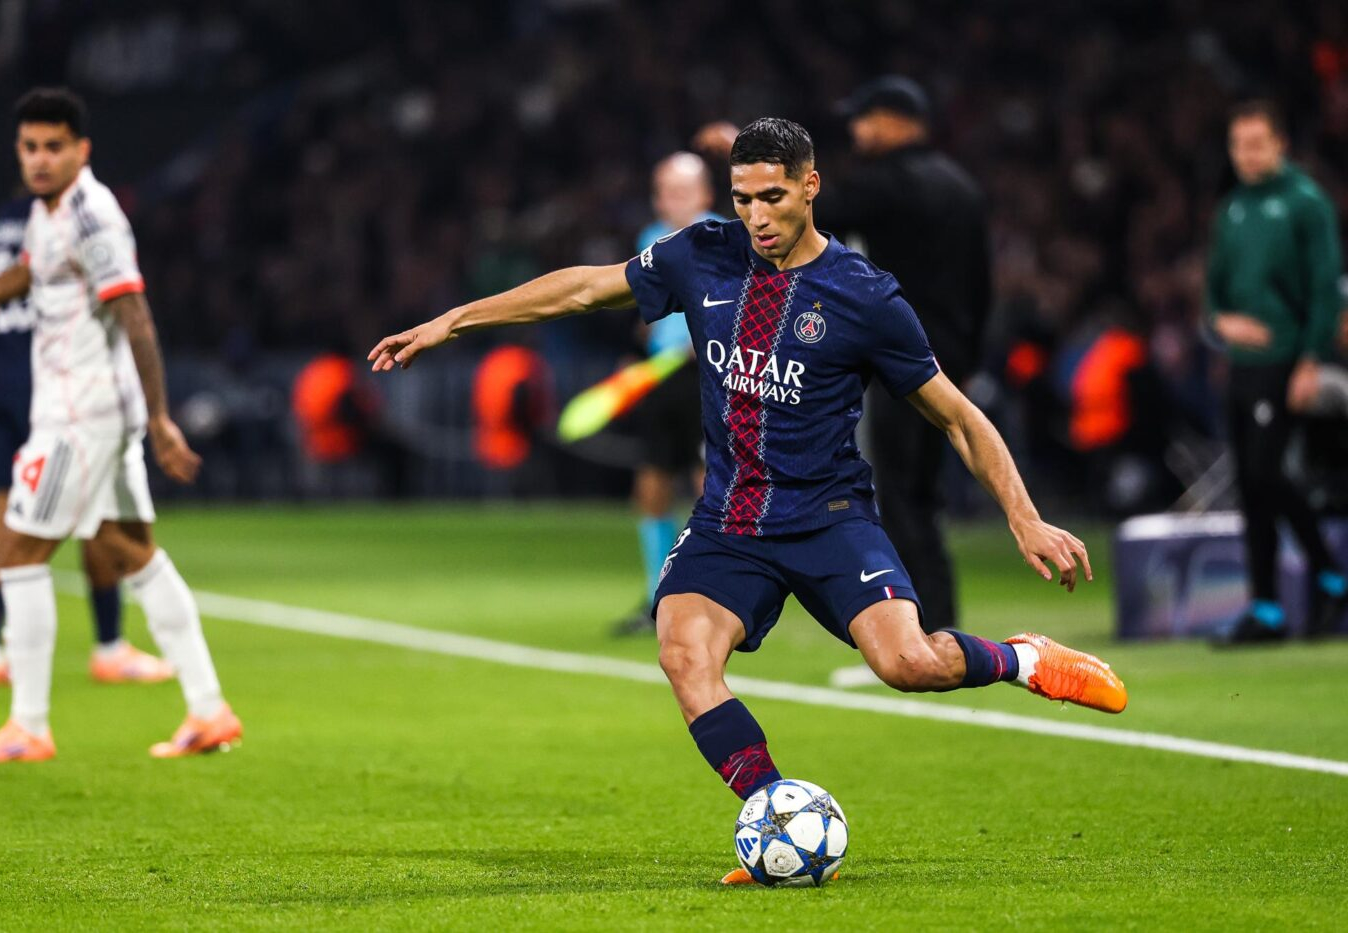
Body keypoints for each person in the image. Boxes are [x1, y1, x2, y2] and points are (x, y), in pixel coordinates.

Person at [369, 118, 1126, 883]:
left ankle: (1023, 657)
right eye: (742, 199)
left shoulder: (864, 296)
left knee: (908, 663)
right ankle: (776, 818)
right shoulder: (702, 253)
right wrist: (455, 320)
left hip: (829, 518)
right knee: (683, 653)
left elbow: (958, 417)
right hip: (729, 521)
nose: (756, 217)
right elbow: (585, 288)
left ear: (810, 186)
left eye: (772, 197)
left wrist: (1023, 516)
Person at [0, 88, 241, 763]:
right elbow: (27, 275)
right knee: (131, 549)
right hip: (91, 412)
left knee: (19, 554)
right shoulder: (45, 212)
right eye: (30, 147)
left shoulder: (90, 216)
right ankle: (208, 709)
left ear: (82, 150)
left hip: (79, 416)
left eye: (54, 147)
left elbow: (135, 313)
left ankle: (28, 727)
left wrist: (161, 418)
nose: (40, 159)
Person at [0, 194, 174, 689]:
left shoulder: (5, 217)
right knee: (98, 517)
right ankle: (109, 648)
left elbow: (8, 283)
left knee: (4, 515)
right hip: (56, 381)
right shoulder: (70, 215)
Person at [827, 76, 991, 633]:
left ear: (893, 121)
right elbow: (982, 287)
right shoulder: (962, 187)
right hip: (951, 362)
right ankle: (942, 626)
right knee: (923, 495)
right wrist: (966, 361)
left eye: (863, 118)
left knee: (899, 497)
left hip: (902, 362)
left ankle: (923, 632)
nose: (856, 130)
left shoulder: (884, 183)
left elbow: (809, 215)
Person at [1204, 99, 1348, 643]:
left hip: (1286, 360)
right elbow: (1213, 294)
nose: (1246, 154)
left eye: (1256, 144)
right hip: (1243, 365)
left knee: (1267, 474)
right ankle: (1266, 608)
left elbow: (1326, 287)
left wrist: (1310, 360)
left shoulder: (1306, 204)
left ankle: (1330, 573)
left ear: (1280, 144)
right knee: (1250, 485)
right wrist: (1223, 323)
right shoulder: (1232, 209)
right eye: (1238, 144)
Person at [614, 152, 717, 636]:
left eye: (682, 191)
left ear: (705, 194)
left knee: (709, 484)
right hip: (662, 378)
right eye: (665, 192)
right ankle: (659, 595)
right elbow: (648, 311)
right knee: (651, 485)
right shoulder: (649, 240)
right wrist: (637, 355)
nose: (672, 200)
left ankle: (712, 592)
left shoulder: (725, 237)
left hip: (709, 375)